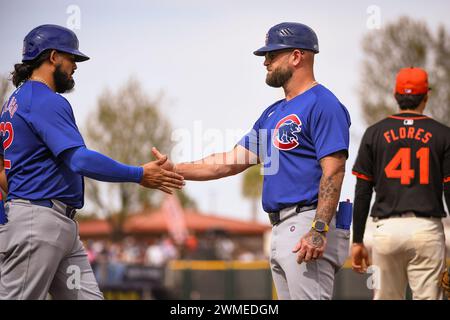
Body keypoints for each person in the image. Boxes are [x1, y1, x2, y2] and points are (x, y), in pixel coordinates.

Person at [153, 22, 351, 299]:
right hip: (282, 229)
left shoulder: (323, 103)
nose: (265, 62)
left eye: (272, 55)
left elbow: (334, 170)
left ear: (297, 56)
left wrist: (319, 228)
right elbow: (228, 162)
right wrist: (176, 169)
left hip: (308, 222)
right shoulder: (273, 113)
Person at [0, 24, 184, 300]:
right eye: (71, 57)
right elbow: (79, 159)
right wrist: (138, 174)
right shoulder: (43, 99)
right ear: (52, 57)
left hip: (54, 224)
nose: (75, 65)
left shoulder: (14, 102)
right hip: (37, 221)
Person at [351, 67, 450, 300]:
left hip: (387, 230)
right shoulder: (443, 134)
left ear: (395, 96)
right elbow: (449, 189)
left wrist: (357, 240)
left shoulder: (374, 133)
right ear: (426, 97)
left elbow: (362, 191)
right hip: (427, 229)